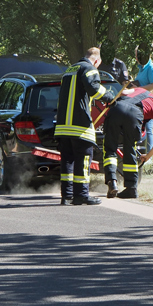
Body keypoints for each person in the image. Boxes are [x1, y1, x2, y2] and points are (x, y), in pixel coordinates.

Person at [55, 47, 115, 205]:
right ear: (97, 61)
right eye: (98, 65)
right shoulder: (89, 69)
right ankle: (81, 194)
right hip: (79, 126)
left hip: (62, 126)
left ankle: (66, 195)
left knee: (67, 160)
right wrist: (110, 97)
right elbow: (93, 89)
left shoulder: (69, 70)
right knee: (83, 159)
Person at [102, 68, 153, 199]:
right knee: (129, 148)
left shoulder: (140, 90)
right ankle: (131, 188)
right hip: (134, 115)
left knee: (110, 148)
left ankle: (112, 181)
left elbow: (123, 92)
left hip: (117, 109)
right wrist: (147, 156)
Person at [133, 43, 153, 154]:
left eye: (137, 55)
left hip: (149, 101)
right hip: (140, 101)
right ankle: (142, 151)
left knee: (148, 128)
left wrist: (138, 88)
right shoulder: (141, 68)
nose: (136, 57)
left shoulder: (151, 68)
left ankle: (149, 154)